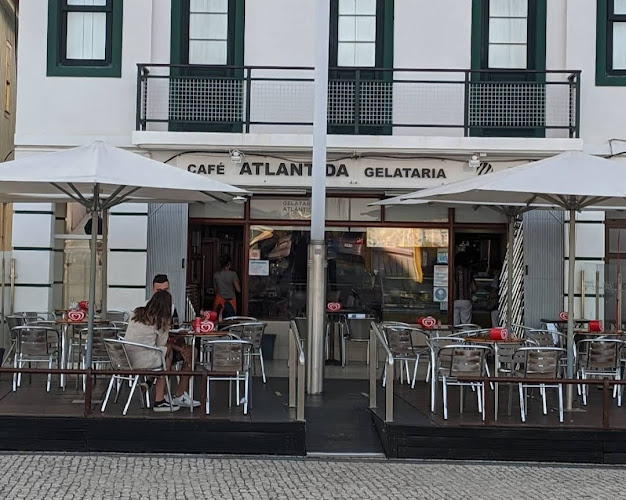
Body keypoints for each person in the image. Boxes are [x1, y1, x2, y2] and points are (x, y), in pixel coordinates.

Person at [148, 274, 199, 408]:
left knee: (192, 352)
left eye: (166, 290)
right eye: (159, 291)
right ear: (153, 290)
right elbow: (157, 340)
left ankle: (180, 395)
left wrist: (182, 346)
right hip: (155, 349)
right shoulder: (147, 309)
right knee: (167, 352)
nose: (163, 294)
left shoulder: (172, 307)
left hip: (170, 343)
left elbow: (175, 327)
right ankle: (162, 396)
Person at [453, 252, 477, 326]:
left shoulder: (452, 270)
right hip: (466, 300)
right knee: (465, 325)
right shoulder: (469, 271)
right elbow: (474, 288)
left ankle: (455, 337)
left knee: (454, 324)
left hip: (453, 300)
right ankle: (464, 337)